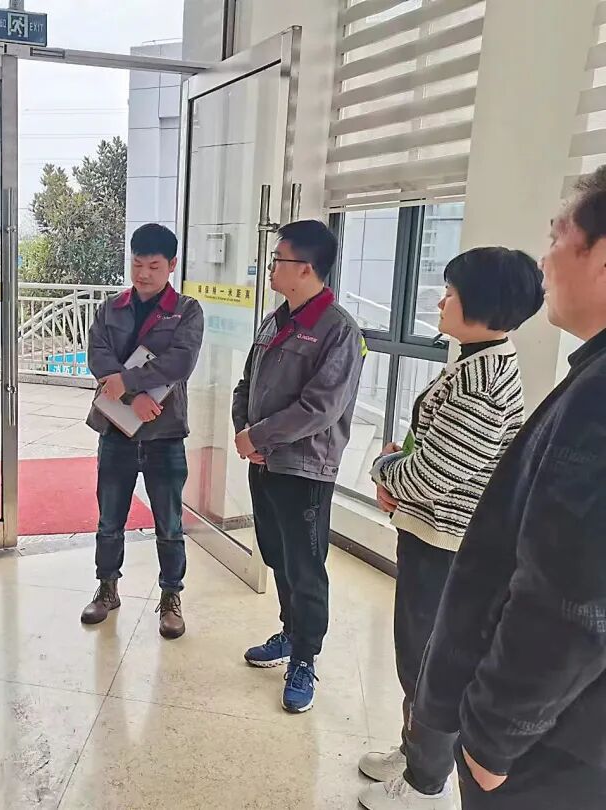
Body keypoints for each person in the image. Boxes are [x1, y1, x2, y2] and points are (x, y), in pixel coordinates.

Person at [403, 167, 606, 809]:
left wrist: (493, 739)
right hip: (558, 728)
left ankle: (422, 769)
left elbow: (570, 599)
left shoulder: (596, 400)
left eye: (557, 237)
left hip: (551, 745)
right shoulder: (588, 376)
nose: (546, 260)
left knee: (418, 648)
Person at [355, 248, 544, 810]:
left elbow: (435, 476)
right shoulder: (474, 360)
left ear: (481, 305)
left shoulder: (483, 381)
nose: (440, 302)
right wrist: (400, 476)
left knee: (430, 662)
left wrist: (384, 469)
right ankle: (415, 752)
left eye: (451, 294)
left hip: (447, 545)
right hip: (432, 534)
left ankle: (425, 782)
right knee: (418, 655)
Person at [231, 219, 365, 713]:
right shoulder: (275, 320)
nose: (270, 267)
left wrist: (258, 436)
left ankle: (305, 657)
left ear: (305, 268)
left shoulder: (338, 331)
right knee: (278, 556)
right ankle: (289, 633)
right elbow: (247, 383)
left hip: (305, 469)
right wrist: (244, 431)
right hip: (264, 461)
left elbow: (320, 408)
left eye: (278, 260)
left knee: (306, 567)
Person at [81, 223, 204, 639]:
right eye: (137, 264)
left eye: (153, 265)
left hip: (164, 432)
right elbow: (98, 354)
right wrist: (133, 397)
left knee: (169, 522)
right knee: (109, 518)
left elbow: (179, 362)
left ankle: (171, 596)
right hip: (116, 428)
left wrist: (128, 384)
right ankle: (107, 588)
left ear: (171, 265)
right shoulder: (111, 308)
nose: (144, 274)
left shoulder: (187, 311)